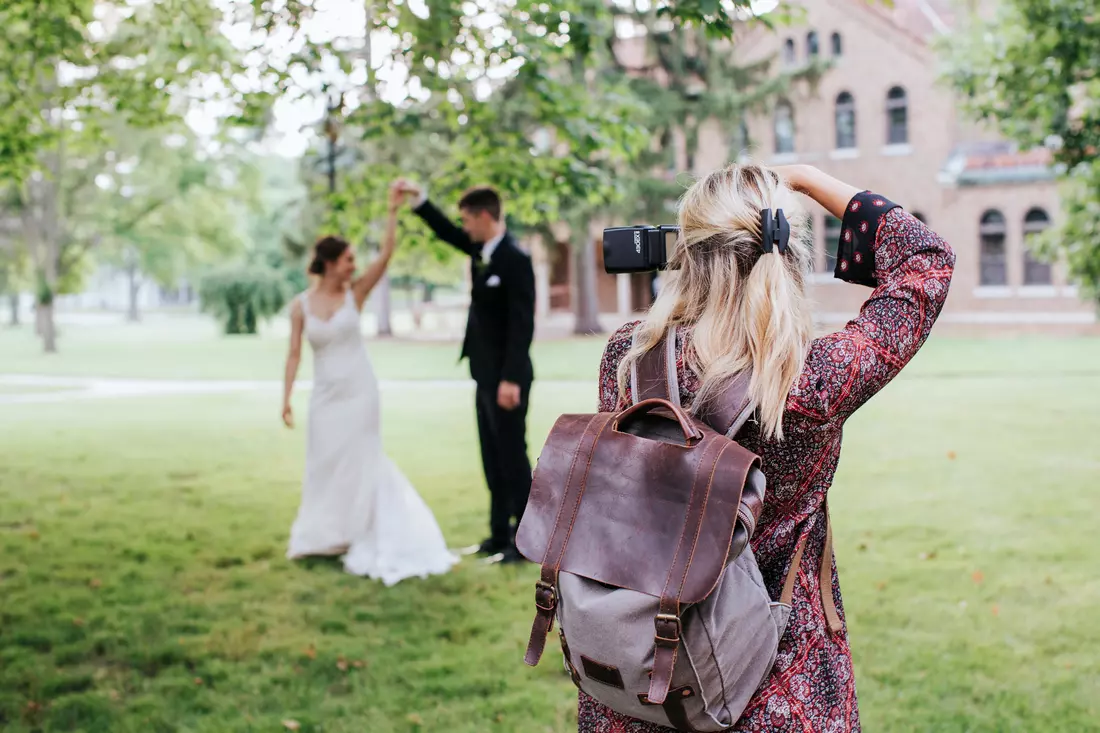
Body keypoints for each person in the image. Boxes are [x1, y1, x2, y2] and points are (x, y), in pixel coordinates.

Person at [580, 163, 955, 732]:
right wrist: (808, 180)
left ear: (685, 254)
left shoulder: (628, 361)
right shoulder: (809, 382)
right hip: (779, 681)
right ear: (784, 258)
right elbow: (926, 262)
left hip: (646, 671)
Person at [281, 183, 457, 585]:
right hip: (325, 396)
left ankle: (361, 530)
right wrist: (286, 398)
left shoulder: (355, 295)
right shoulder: (300, 305)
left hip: (360, 392)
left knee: (362, 460)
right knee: (325, 463)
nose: (353, 267)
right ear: (327, 263)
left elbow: (386, 255)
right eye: (346, 260)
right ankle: (326, 534)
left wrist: (393, 210)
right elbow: (293, 354)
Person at [393, 180, 535, 564]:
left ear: (485, 216)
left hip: (508, 378)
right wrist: (419, 202)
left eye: (468, 220)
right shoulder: (480, 251)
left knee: (512, 457)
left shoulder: (515, 261)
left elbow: (522, 325)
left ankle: (524, 542)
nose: (465, 227)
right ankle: (497, 535)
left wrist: (509, 378)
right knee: (491, 456)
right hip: (483, 374)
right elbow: (447, 233)